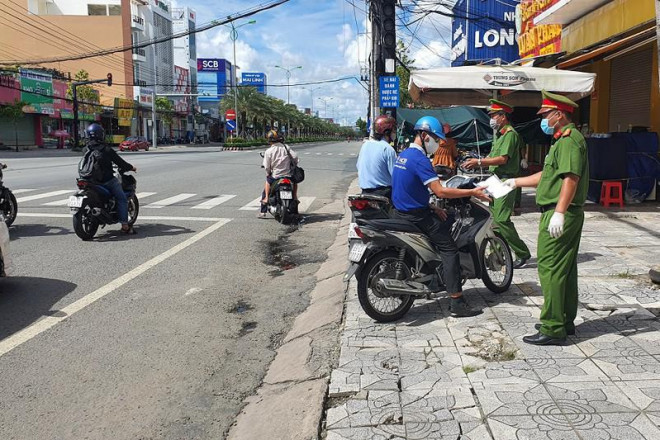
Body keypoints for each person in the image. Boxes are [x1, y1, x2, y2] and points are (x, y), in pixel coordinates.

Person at [504, 91, 589, 345]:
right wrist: (515, 182)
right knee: (564, 269)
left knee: (550, 269)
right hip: (561, 210)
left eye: (546, 114)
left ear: (559, 114)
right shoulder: (561, 141)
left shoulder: (569, 141)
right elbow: (547, 176)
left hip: (559, 211)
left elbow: (570, 179)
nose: (543, 119)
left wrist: (560, 212)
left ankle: (553, 328)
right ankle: (563, 320)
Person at [391, 116, 491, 318]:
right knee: (449, 249)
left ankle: (434, 276)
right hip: (416, 217)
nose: (438, 143)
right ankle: (456, 301)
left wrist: (432, 207)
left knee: (444, 218)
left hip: (403, 210)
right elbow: (441, 192)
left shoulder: (404, 155)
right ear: (424, 135)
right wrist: (473, 193)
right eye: (436, 139)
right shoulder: (419, 159)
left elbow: (408, 189)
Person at [464, 99, 531, 268]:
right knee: (492, 219)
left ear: (503, 116)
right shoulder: (500, 135)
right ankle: (498, 254)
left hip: (506, 181)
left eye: (494, 115)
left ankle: (522, 252)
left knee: (501, 219)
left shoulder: (510, 135)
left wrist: (479, 162)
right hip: (496, 179)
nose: (491, 118)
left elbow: (502, 159)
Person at [82, 123, 137, 234]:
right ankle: (125, 225)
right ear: (101, 135)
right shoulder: (106, 150)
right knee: (121, 198)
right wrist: (131, 167)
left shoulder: (86, 149)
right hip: (106, 181)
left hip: (89, 180)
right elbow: (120, 163)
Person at [259, 129, 299, 219]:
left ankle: (263, 209)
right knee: (295, 182)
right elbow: (296, 158)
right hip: (288, 175)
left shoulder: (269, 151)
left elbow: (266, 166)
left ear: (269, 140)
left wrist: (268, 173)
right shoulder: (286, 147)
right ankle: (295, 197)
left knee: (267, 184)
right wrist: (294, 165)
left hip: (276, 176)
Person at [356, 115, 397, 199]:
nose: (395, 133)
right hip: (384, 193)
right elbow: (396, 176)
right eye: (394, 130)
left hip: (364, 192)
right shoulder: (388, 149)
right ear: (387, 132)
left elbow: (358, 166)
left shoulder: (365, 145)